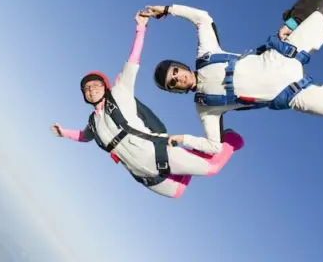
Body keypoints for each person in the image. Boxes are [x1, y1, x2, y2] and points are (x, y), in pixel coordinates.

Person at [52, 10, 245, 199]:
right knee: (177, 192)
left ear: (106, 86)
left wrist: (141, 29)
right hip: (147, 176)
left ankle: (230, 139)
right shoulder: (93, 122)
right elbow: (84, 136)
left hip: (161, 153)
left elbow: (133, 60)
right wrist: (64, 133)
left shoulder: (120, 92)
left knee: (213, 168)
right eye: (86, 88)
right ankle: (188, 159)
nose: (91, 89)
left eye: (96, 84)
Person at [141, 3, 323, 155]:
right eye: (173, 82)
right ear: (175, 90)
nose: (178, 78)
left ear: (181, 66)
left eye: (176, 71)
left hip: (284, 54)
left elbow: (202, 19)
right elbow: (213, 146)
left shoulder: (206, 55)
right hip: (292, 93)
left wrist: (168, 10)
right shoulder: (205, 108)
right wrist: (182, 139)